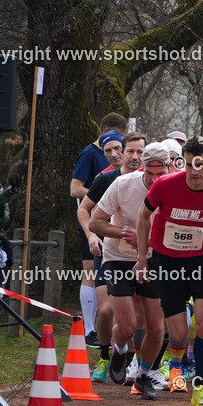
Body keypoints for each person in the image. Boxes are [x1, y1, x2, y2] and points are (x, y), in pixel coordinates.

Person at [136, 136, 203, 406]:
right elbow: (143, 215)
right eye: (188, 164)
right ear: (181, 162)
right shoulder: (164, 185)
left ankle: (198, 387)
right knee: (180, 334)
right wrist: (142, 258)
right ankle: (143, 376)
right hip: (168, 262)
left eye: (200, 165)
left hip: (202, 261)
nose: (194, 172)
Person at [90, 141, 170, 399]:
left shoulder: (175, 188)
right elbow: (95, 222)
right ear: (142, 168)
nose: (155, 180)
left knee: (156, 328)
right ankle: (120, 349)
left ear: (169, 168)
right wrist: (124, 233)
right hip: (119, 257)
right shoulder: (123, 184)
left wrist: (148, 239)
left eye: (161, 174)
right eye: (150, 174)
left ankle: (145, 376)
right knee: (127, 325)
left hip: (155, 257)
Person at [78, 132, 146, 383]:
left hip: (140, 256)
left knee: (136, 314)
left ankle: (128, 356)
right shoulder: (107, 179)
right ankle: (105, 358)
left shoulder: (152, 181)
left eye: (141, 152)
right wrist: (91, 236)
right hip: (108, 252)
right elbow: (84, 210)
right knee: (106, 311)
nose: (135, 157)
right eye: (130, 151)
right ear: (121, 153)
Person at [71, 113, 128, 347]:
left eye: (119, 147)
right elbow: (75, 190)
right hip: (97, 228)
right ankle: (90, 330)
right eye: (109, 149)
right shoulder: (91, 157)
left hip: (126, 236)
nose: (115, 154)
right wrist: (102, 197)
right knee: (91, 276)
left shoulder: (138, 172)